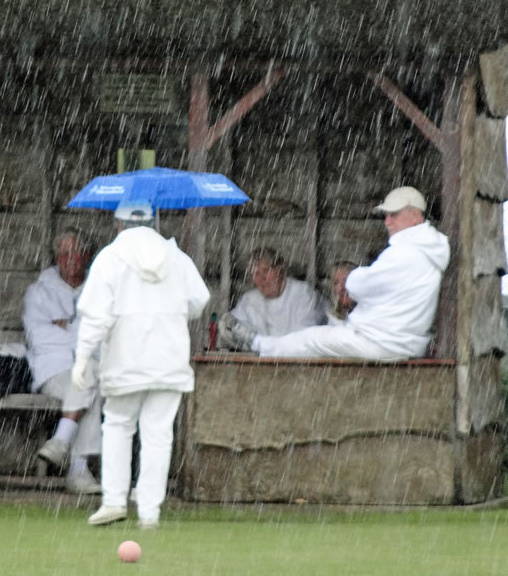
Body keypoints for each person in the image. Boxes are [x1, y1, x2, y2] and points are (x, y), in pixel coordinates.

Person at [71, 200, 210, 529]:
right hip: (169, 359)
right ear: (154, 223)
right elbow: (198, 301)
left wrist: (82, 357)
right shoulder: (177, 259)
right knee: (158, 436)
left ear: (118, 224)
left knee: (118, 427)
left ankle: (114, 501)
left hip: (125, 359)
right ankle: (149, 512)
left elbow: (96, 316)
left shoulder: (109, 258)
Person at [222, 186, 450, 359]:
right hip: (397, 340)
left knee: (312, 339)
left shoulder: (405, 252)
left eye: (394, 215)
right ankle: (259, 344)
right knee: (319, 338)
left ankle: (258, 345)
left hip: (383, 343)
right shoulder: (427, 250)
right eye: (386, 215)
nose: (387, 221)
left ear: (415, 216)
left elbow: (358, 286)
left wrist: (355, 279)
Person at [23, 227, 103, 495]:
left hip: (88, 369)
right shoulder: (39, 292)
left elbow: (106, 336)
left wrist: (63, 327)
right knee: (92, 379)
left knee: (90, 373)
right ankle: (78, 470)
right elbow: (38, 338)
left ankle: (60, 441)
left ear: (87, 256)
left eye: (76, 253)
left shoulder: (100, 289)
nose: (70, 259)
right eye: (64, 253)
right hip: (54, 371)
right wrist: (81, 332)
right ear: (56, 257)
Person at [218, 247, 327, 349]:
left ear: (280, 270)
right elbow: (232, 331)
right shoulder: (249, 300)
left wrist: (259, 343)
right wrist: (228, 326)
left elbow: (301, 341)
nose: (262, 279)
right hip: (261, 365)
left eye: (266, 271)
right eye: (256, 274)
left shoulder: (303, 294)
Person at [326, 260, 358, 325]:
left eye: (346, 280)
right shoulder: (333, 317)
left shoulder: (372, 313)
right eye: (336, 283)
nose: (341, 287)